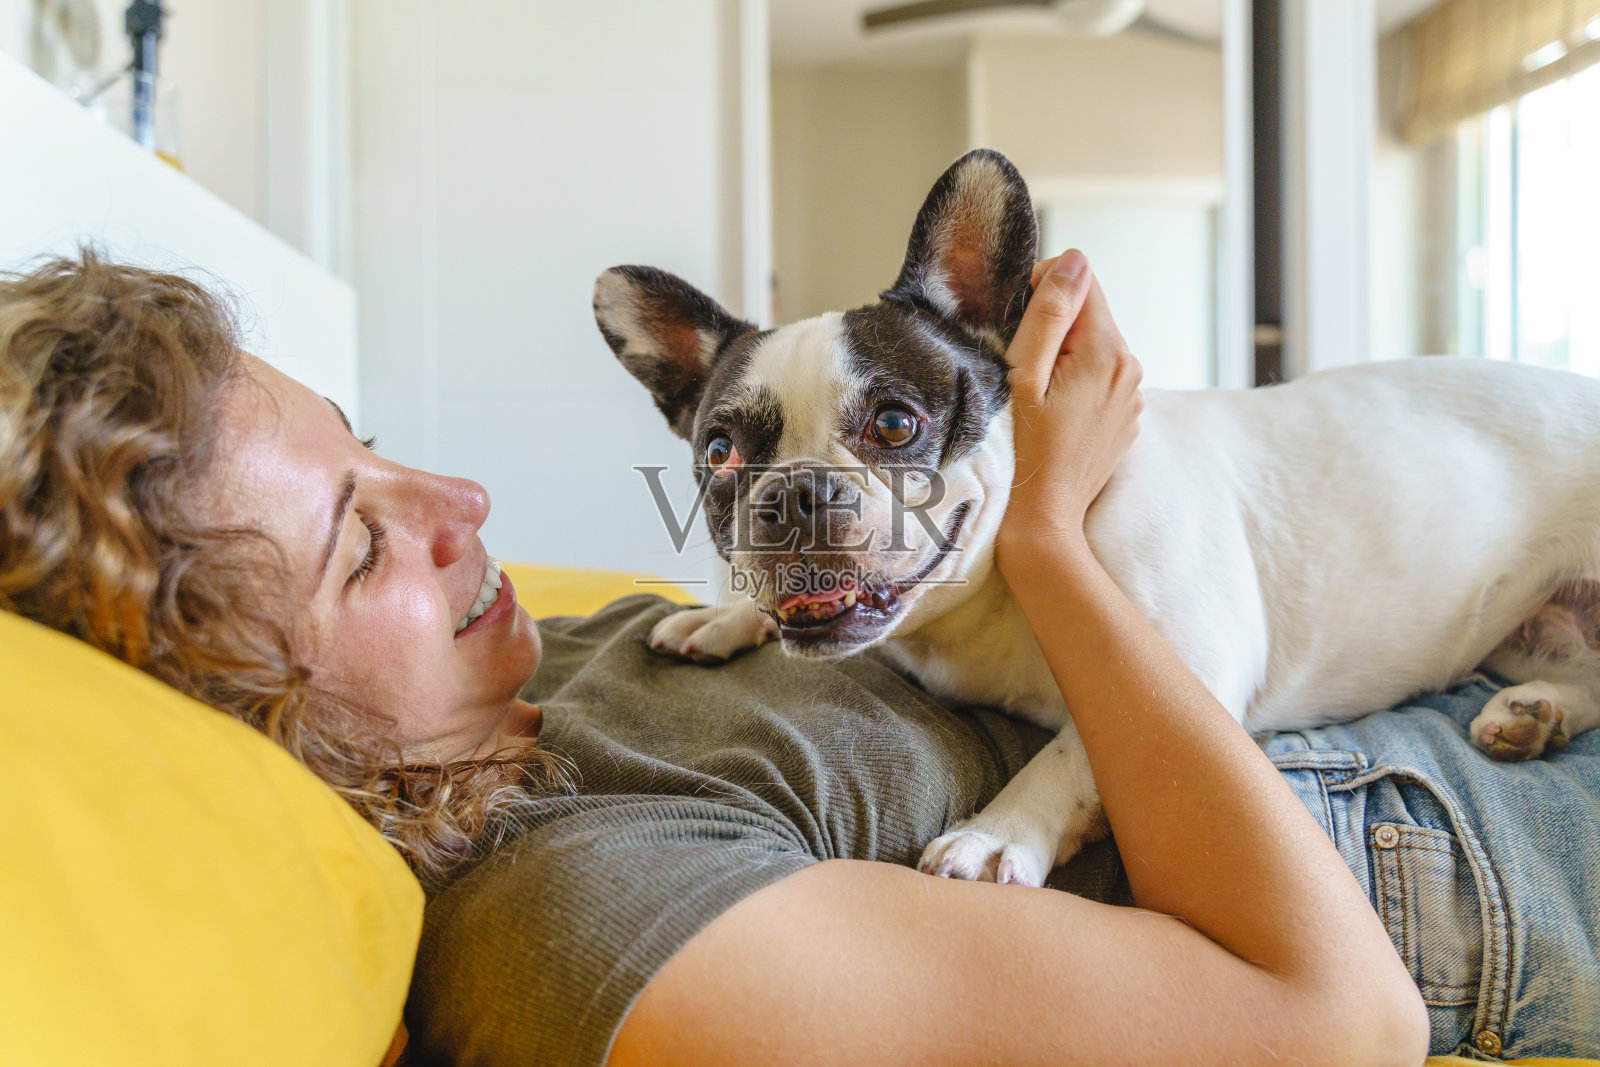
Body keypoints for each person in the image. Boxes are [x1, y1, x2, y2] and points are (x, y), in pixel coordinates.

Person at [2, 250, 1595, 1065]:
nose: (462, 503)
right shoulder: (595, 909)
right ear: (244, 712)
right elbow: (1341, 1029)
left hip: (1458, 643)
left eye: (382, 448)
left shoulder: (555, 669)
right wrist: (1046, 528)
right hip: (1492, 833)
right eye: (363, 544)